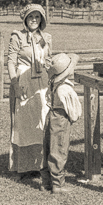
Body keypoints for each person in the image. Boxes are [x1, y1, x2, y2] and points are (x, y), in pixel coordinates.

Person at [6, 3, 52, 182]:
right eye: (31, 16)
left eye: (37, 16)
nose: (34, 19)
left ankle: (39, 165)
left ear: (42, 19)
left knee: (41, 122)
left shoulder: (45, 37)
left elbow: (48, 60)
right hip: (23, 80)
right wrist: (15, 84)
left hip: (42, 83)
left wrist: (51, 82)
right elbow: (11, 61)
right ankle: (20, 167)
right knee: (23, 123)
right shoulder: (18, 36)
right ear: (25, 19)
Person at [41, 52, 82, 194]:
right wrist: (73, 117)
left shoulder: (54, 84)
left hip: (51, 115)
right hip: (61, 118)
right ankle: (58, 184)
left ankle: (46, 181)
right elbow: (74, 110)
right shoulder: (65, 88)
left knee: (48, 147)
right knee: (59, 148)